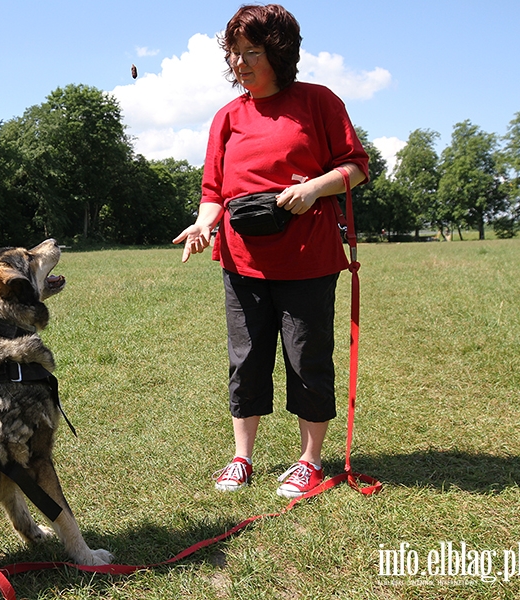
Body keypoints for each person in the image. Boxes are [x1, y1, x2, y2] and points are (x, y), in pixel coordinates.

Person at [173, 4, 369, 498]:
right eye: (234, 54)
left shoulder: (319, 102)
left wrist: (314, 189)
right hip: (242, 262)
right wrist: (201, 226)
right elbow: (214, 191)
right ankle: (242, 458)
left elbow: (356, 167)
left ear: (278, 53)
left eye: (251, 53)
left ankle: (309, 461)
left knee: (307, 358)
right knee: (247, 359)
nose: (239, 64)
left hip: (308, 259)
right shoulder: (227, 117)